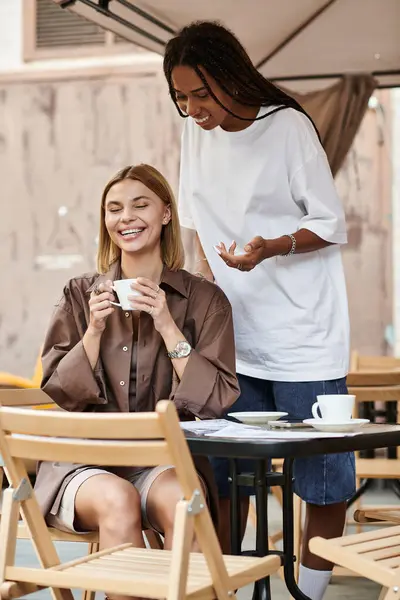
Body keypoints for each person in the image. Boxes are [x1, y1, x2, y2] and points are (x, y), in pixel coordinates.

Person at [163, 21, 355, 600]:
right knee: (226, 480)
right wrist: (200, 287)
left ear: (230, 77)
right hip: (233, 339)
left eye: (202, 93)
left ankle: (310, 596)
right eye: (181, 98)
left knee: (323, 483)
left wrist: (269, 247)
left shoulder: (289, 127)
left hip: (303, 338)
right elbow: (196, 221)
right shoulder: (197, 133)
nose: (193, 108)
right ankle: (230, 590)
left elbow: (328, 223)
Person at [34, 164, 239, 600]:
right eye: (114, 209)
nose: (125, 217)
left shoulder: (204, 300)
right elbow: (55, 389)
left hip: (161, 461)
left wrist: (167, 324)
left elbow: (219, 397)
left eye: (140, 205)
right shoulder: (79, 293)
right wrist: (92, 330)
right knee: (118, 499)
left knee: (186, 505)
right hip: (83, 463)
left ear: (166, 213)